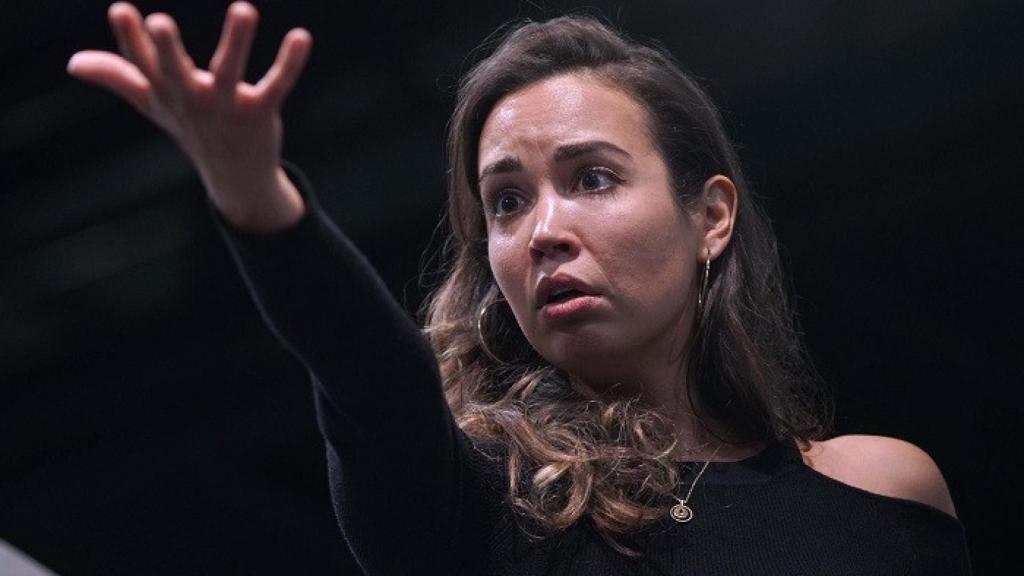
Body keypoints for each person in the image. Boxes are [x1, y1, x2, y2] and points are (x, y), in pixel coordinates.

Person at [68, 2, 972, 574]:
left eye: (592, 179)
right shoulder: (470, 502)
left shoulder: (883, 491)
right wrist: (254, 194)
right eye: (506, 201)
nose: (543, 231)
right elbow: (368, 376)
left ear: (712, 217)